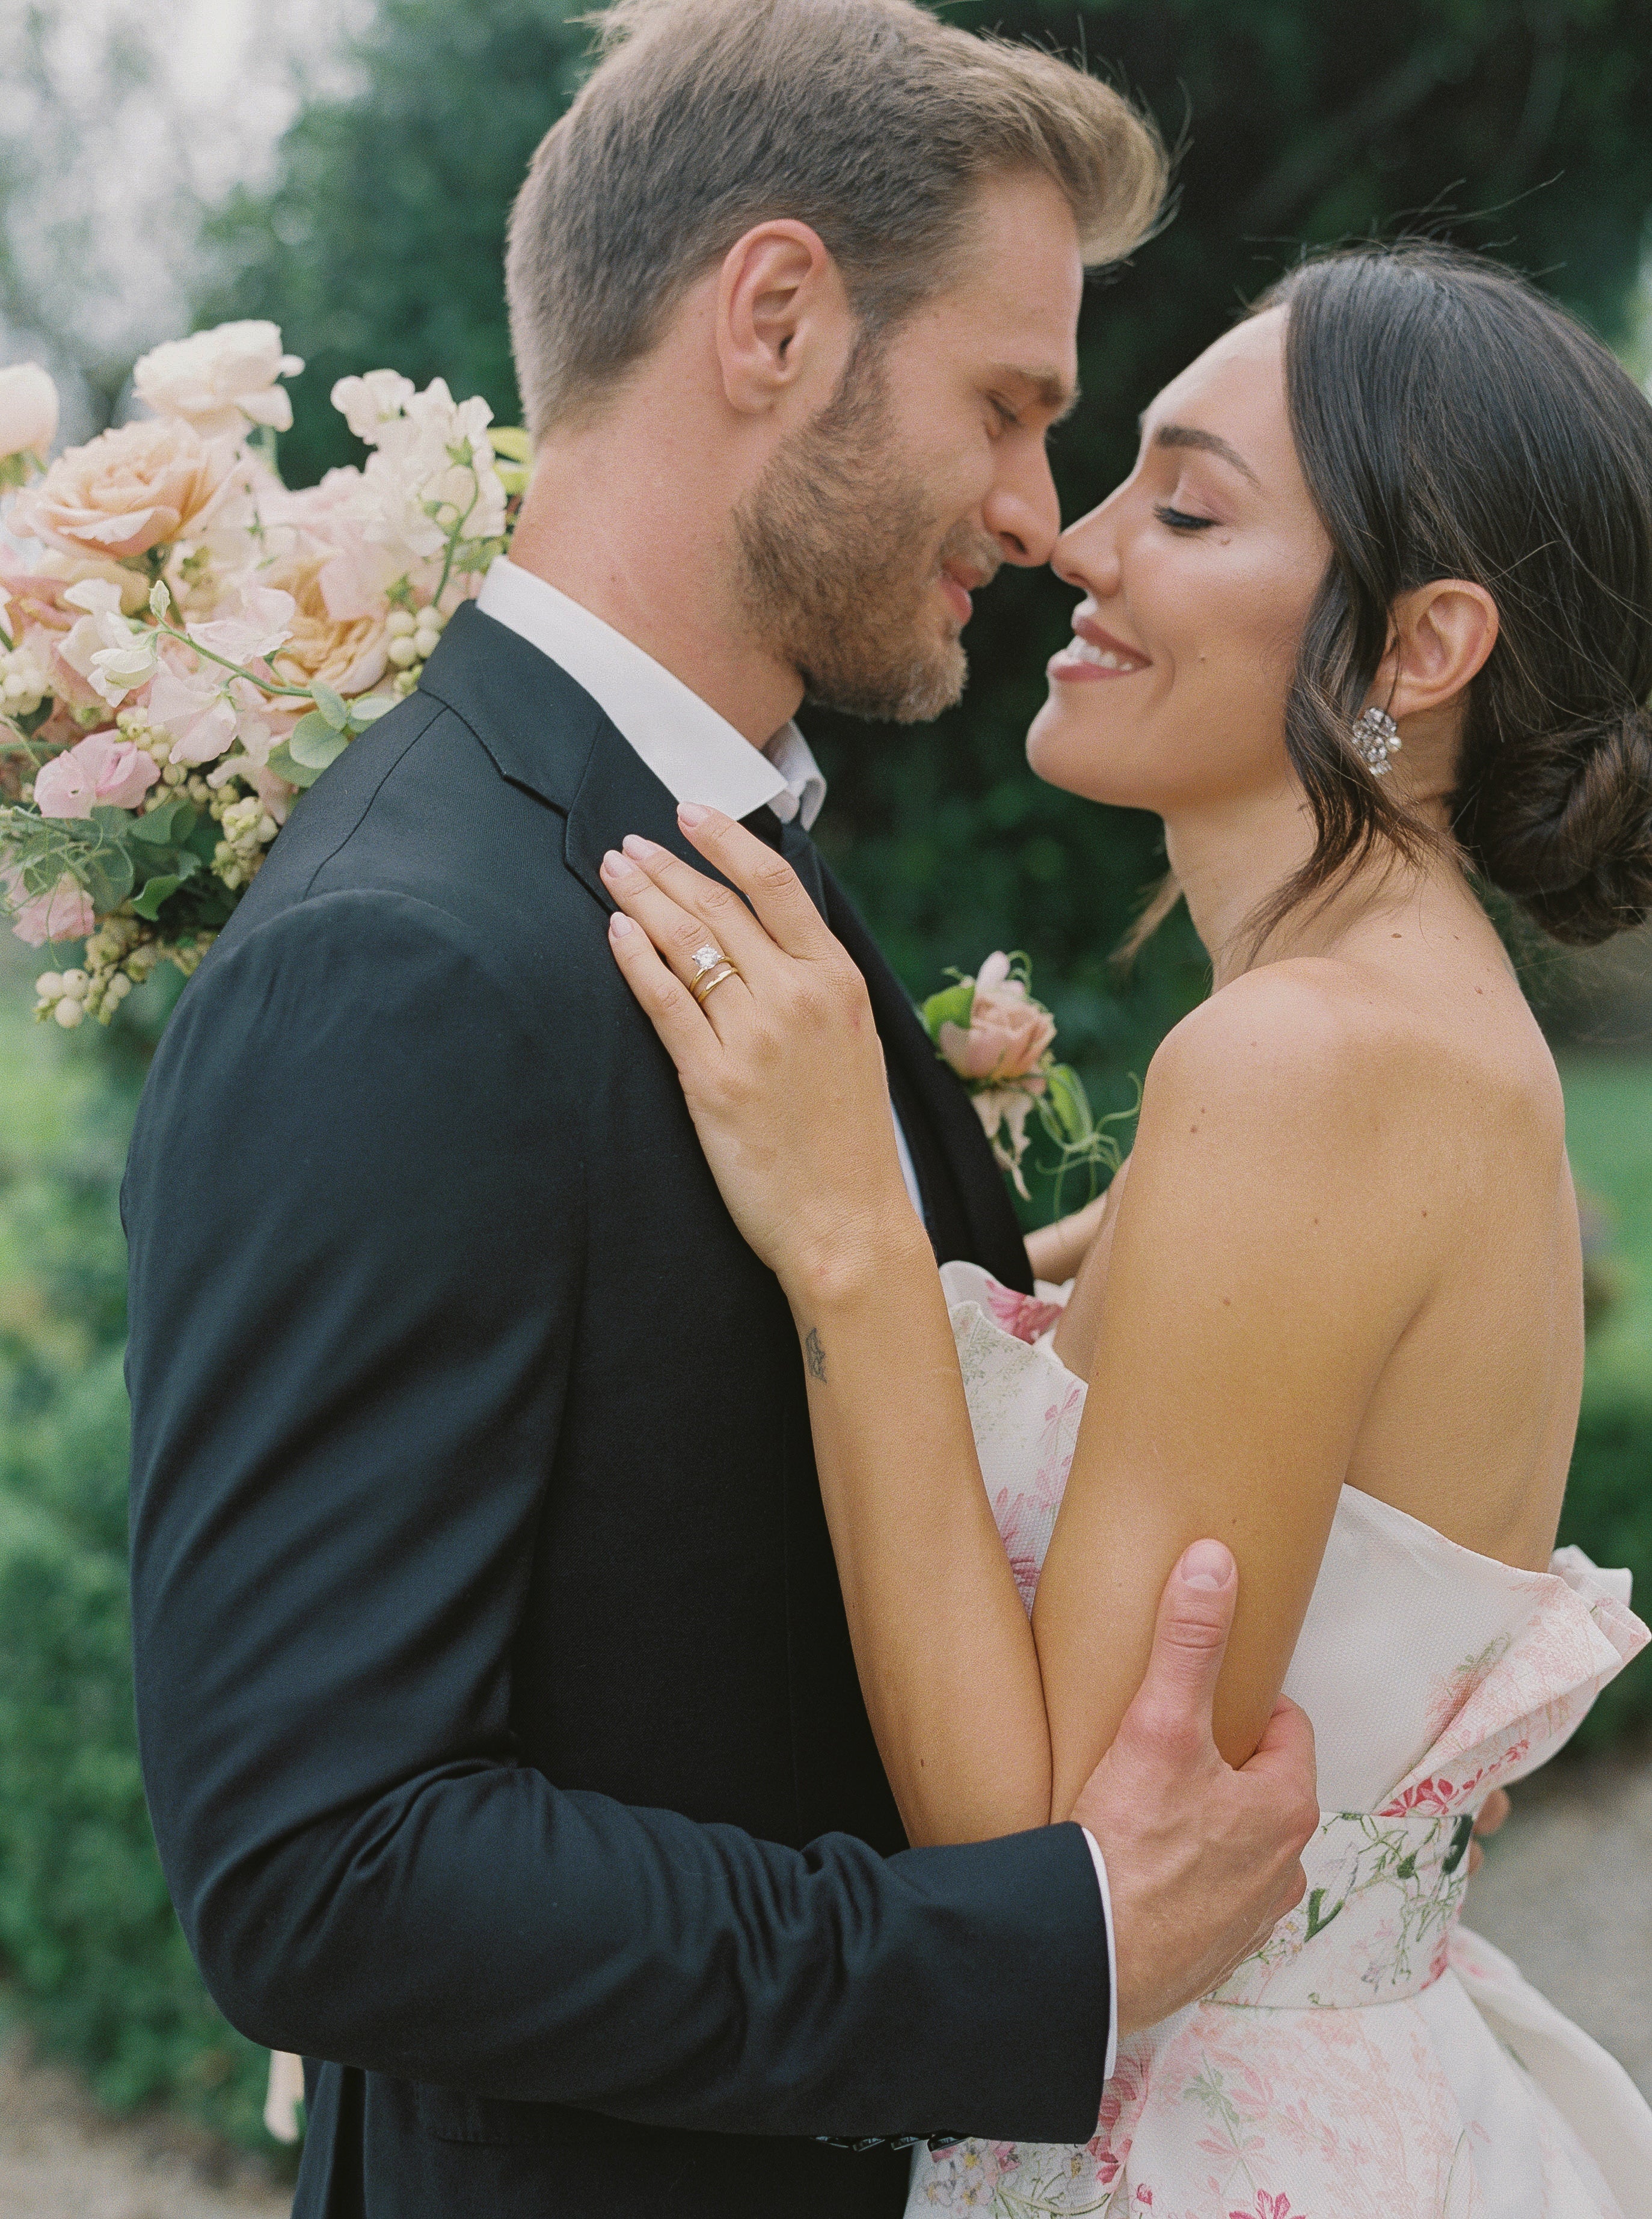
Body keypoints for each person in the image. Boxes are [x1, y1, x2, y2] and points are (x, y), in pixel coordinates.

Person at [120, 6, 1321, 2217]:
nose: (1032, 515)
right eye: (1008, 405)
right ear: (773, 314)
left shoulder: (696, 842)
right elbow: (319, 1865)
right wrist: (1041, 1951)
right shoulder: (398, 957)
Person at [603, 239, 1652, 2216]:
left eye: (1181, 506)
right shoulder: (1401, 1036)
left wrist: (847, 1241)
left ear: (1418, 649)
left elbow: (1041, 1864)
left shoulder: (1304, 1064)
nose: (1075, 542)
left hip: (1189, 2126)